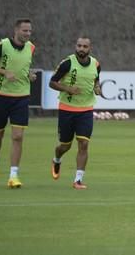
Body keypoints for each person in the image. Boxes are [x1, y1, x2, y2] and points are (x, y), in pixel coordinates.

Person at [0, 19, 36, 188]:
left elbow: (24, 67)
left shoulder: (31, 47)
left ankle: (14, 175)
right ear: (16, 30)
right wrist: (4, 72)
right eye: (24, 30)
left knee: (18, 136)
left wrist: (30, 75)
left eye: (29, 31)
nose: (27, 34)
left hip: (21, 97)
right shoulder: (3, 45)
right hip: (0, 96)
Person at [49, 37, 101, 189]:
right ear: (75, 46)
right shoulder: (67, 63)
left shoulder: (96, 64)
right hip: (67, 110)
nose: (81, 49)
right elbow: (52, 82)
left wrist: (97, 88)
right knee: (64, 146)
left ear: (90, 48)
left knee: (84, 144)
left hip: (86, 110)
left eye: (85, 46)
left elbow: (96, 80)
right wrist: (68, 89)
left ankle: (78, 180)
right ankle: (57, 159)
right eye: (79, 45)